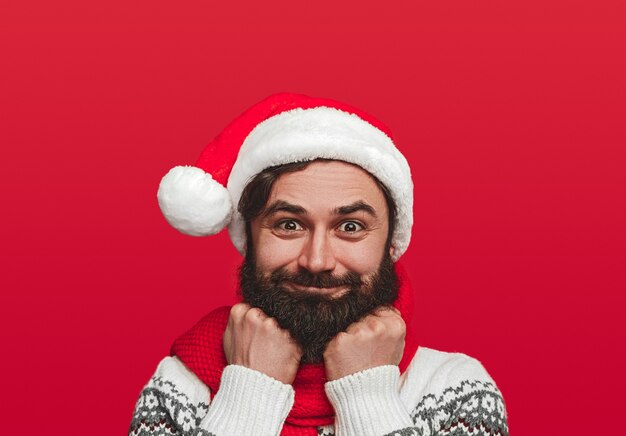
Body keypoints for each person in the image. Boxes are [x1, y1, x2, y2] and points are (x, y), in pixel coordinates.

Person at [129, 93, 509, 436]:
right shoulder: (181, 385)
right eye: (289, 225)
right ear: (249, 239)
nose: (317, 261)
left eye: (350, 226)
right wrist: (250, 390)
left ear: (392, 244)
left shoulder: (454, 389)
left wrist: (367, 395)